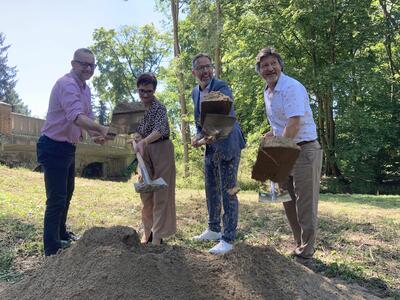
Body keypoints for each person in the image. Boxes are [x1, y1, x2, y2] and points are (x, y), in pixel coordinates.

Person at [37, 48, 108, 256]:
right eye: (83, 63)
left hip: (68, 147)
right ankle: (51, 248)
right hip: (52, 146)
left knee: (67, 193)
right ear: (73, 63)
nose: (87, 68)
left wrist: (97, 135)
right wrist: (101, 128)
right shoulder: (67, 85)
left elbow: (87, 117)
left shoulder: (85, 89)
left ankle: (61, 233)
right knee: (56, 198)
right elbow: (75, 116)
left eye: (91, 65)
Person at [255, 47, 323, 260]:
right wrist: (270, 135)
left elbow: (294, 125)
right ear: (259, 71)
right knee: (287, 198)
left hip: (303, 150)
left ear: (280, 65)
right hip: (284, 148)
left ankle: (307, 250)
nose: (269, 68)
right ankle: (298, 244)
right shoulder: (268, 92)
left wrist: (276, 154)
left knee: (305, 203)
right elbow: (280, 125)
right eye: (264, 65)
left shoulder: (292, 87)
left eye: (273, 63)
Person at [191, 53, 246, 255]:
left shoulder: (222, 87)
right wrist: (197, 137)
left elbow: (226, 117)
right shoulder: (195, 93)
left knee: (228, 190)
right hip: (210, 146)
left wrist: (212, 134)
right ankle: (214, 229)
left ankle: (228, 238)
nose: (205, 71)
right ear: (194, 72)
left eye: (208, 67)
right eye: (201, 68)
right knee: (211, 188)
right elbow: (199, 122)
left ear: (212, 69)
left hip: (228, 142)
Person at [133, 73, 176, 245]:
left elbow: (160, 130)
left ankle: (157, 237)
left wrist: (143, 141)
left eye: (149, 91)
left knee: (161, 194)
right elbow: (134, 130)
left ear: (154, 90)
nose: (145, 95)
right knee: (146, 194)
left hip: (161, 149)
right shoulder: (135, 109)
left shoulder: (160, 108)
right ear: (137, 89)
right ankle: (147, 233)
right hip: (144, 153)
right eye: (141, 91)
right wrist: (136, 139)